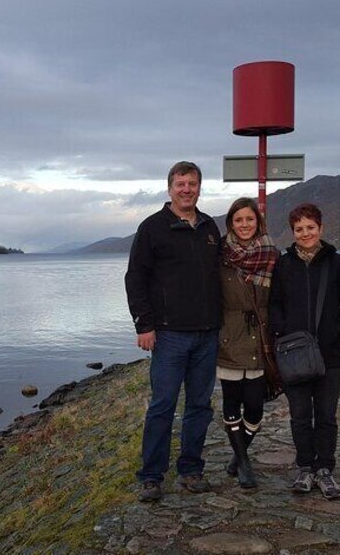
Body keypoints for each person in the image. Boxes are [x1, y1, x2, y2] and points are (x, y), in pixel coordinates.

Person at [125, 161, 222, 502]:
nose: (186, 189)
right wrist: (144, 324)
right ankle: (151, 476)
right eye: (180, 184)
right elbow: (135, 278)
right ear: (169, 188)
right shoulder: (152, 228)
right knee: (163, 406)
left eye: (192, 184)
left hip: (207, 335)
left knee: (199, 405)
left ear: (199, 187)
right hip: (168, 336)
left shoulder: (210, 228)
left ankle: (191, 469)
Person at [269, 202, 340, 497]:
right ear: (292, 232)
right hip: (294, 356)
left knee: (326, 415)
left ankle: (325, 470)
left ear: (320, 228)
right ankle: (305, 468)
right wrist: (282, 332)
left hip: (330, 356)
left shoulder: (336, 263)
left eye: (310, 227)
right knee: (299, 415)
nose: (305, 233)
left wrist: (337, 335)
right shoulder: (284, 265)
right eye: (299, 229)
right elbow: (275, 304)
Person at [217, 197, 279, 489]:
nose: (244, 225)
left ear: (258, 222)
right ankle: (243, 463)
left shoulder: (271, 254)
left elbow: (281, 297)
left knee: (255, 407)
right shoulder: (219, 254)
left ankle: (238, 455)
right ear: (231, 223)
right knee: (231, 401)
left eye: (249, 219)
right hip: (228, 335)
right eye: (238, 220)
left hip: (260, 337)